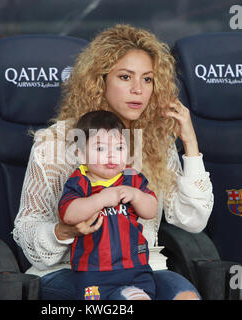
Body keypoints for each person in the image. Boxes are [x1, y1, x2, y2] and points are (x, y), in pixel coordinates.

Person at [13, 24, 214, 300]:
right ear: (100, 80)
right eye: (125, 77)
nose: (138, 90)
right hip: (69, 271)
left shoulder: (156, 142)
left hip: (142, 269)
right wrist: (64, 231)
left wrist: (189, 142)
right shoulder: (56, 142)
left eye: (147, 79)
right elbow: (27, 233)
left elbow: (193, 220)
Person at [59, 110, 158, 300]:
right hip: (93, 270)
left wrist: (136, 195)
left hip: (135, 267)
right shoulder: (80, 181)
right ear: (80, 154)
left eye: (119, 148)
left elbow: (151, 210)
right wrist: (101, 199)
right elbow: (69, 214)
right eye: (101, 149)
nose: (111, 156)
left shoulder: (132, 178)